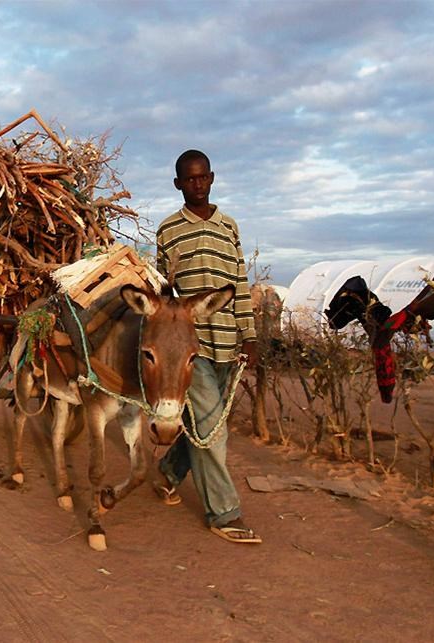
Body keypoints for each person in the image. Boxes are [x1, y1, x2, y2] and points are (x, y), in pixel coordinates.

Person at [154, 149, 261, 544]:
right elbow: (165, 292)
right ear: (178, 183)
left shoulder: (229, 227)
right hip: (190, 347)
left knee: (209, 422)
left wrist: (249, 334)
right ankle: (224, 513)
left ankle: (168, 472)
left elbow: (241, 283)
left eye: (202, 178)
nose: (196, 185)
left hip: (228, 340)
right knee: (212, 426)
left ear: (212, 178)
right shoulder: (167, 231)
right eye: (189, 179)